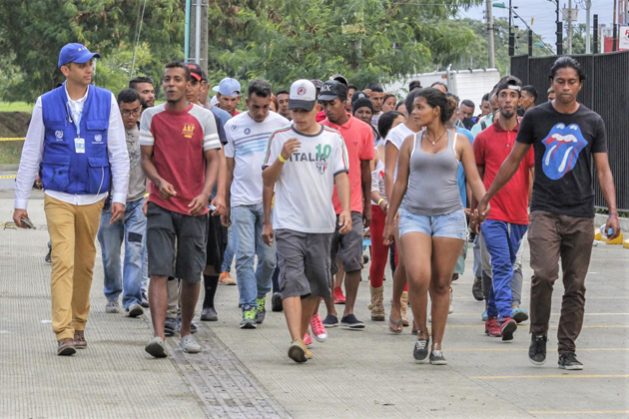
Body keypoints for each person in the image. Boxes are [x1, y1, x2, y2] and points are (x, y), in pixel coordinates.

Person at [477, 57, 620, 370]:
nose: (566, 87)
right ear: (552, 84)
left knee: (575, 285)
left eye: (571, 82)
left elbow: (603, 168)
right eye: (560, 81)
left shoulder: (593, 121)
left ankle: (567, 349)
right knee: (543, 274)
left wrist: (612, 212)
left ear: (580, 85)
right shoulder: (536, 117)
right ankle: (539, 333)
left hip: (581, 213)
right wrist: (487, 195)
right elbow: (513, 160)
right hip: (544, 210)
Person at [13, 43, 129, 356]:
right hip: (58, 194)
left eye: (91, 63)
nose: (89, 69)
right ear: (66, 70)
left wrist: (119, 196)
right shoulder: (46, 103)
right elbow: (31, 153)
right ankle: (63, 331)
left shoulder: (106, 100)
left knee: (85, 263)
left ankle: (79, 324)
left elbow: (118, 152)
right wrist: (20, 202)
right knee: (63, 260)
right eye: (82, 65)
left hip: (94, 195)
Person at [384, 87, 485, 365]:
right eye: (413, 108)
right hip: (413, 216)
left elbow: (474, 179)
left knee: (441, 282)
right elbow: (400, 183)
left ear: (436, 110)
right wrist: (390, 220)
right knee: (418, 276)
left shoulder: (459, 142)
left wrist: (483, 204)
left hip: (449, 217)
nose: (414, 112)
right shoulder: (410, 142)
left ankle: (437, 344)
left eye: (419, 107)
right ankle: (422, 333)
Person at [262, 79, 351, 363]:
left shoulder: (333, 139)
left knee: (316, 284)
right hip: (288, 222)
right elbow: (267, 180)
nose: (298, 116)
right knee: (291, 279)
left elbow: (341, 175)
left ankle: (300, 338)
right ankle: (295, 339)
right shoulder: (279, 137)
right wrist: (282, 157)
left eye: (304, 110)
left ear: (316, 108)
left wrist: (346, 210)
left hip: (321, 224)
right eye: (294, 110)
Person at [140, 62, 222, 358]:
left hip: (193, 208)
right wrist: (158, 181)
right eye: (167, 79)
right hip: (160, 205)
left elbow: (214, 159)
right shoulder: (151, 116)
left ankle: (186, 331)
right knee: (159, 271)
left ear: (188, 85)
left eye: (177, 79)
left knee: (191, 273)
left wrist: (206, 194)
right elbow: (145, 158)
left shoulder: (204, 117)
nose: (171, 84)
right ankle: (159, 336)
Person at [224, 80, 288, 329]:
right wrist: (224, 200)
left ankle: (260, 295)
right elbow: (228, 167)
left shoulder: (282, 125)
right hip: (241, 200)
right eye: (255, 107)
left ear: (271, 102)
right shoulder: (233, 125)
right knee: (243, 256)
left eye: (264, 107)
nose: (260, 112)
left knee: (269, 260)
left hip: (272, 202)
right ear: (246, 102)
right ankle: (248, 306)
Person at [473, 77, 534, 342]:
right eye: (503, 95)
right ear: (495, 100)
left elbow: (532, 173)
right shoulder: (483, 138)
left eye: (513, 95)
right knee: (500, 263)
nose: (508, 100)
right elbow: (476, 176)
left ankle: (491, 316)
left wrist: (532, 207)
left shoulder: (528, 136)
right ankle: (505, 315)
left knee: (507, 264)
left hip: (519, 213)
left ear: (520, 100)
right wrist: (476, 210)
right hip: (492, 213)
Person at [318, 80, 374, 330]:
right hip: (323, 206)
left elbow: (366, 170)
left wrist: (367, 205)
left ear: (345, 102)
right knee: (324, 263)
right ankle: (330, 310)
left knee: (353, 260)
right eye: (324, 104)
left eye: (333, 103)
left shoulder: (363, 130)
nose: (328, 109)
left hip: (353, 206)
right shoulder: (319, 130)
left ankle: (349, 311)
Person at [97, 88, 147, 318]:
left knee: (135, 251)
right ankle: (112, 295)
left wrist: (149, 196)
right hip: (110, 204)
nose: (130, 116)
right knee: (110, 255)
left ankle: (132, 299)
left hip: (137, 203)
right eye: (125, 111)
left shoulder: (146, 134)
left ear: (141, 110)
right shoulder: (108, 133)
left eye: (135, 111)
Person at [384, 89, 423, 332]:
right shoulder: (397, 135)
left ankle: (419, 313)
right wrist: (393, 206)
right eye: (417, 107)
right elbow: (389, 173)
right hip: (404, 205)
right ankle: (396, 304)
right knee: (407, 262)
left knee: (426, 266)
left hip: (428, 204)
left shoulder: (434, 134)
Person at [368, 110, 405, 321]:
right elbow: (371, 186)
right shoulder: (376, 152)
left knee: (403, 259)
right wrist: (383, 203)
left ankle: (401, 305)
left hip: (403, 210)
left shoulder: (409, 150)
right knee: (379, 258)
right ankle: (377, 303)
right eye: (398, 125)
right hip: (379, 209)